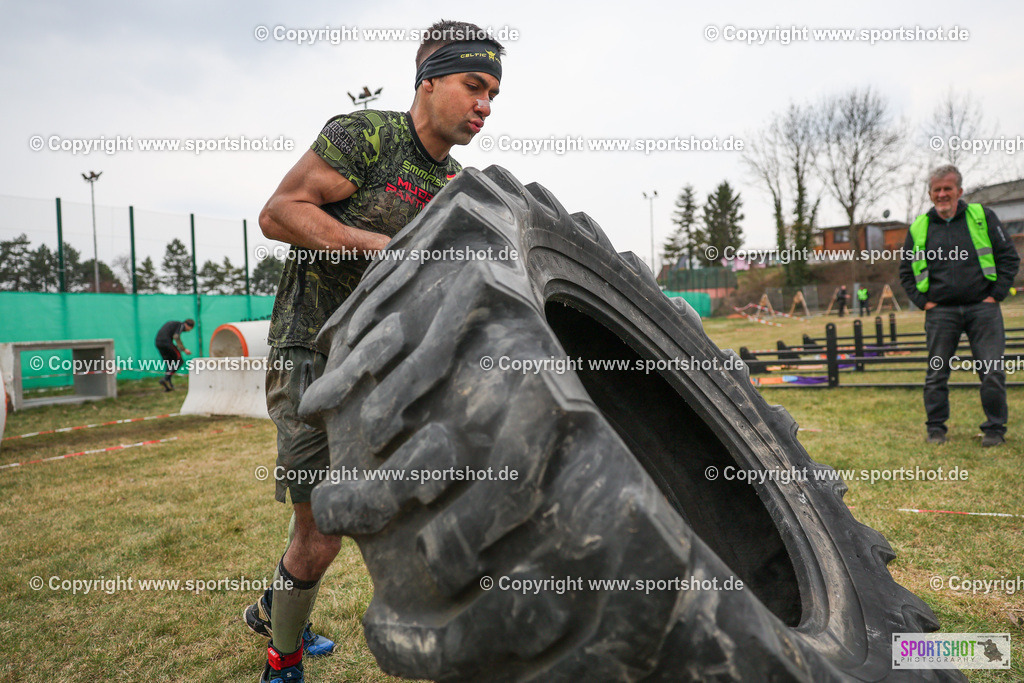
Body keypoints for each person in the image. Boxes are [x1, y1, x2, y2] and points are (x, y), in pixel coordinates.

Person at [245, 20, 505, 683]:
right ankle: (283, 654)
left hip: (382, 365)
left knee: (416, 504)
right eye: (473, 85)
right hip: (308, 356)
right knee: (323, 530)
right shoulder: (364, 137)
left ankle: (274, 607)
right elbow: (278, 213)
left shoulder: (457, 188)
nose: (484, 105)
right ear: (429, 81)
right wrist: (374, 246)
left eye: (494, 95)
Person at [899, 164, 1020, 447]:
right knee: (937, 372)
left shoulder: (982, 217)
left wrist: (996, 294)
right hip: (940, 311)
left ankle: (995, 429)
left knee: (991, 371)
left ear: (959, 191)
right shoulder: (919, 226)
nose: (942, 194)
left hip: (983, 308)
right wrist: (922, 302)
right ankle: (936, 428)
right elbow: (905, 271)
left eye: (947, 189)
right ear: (930, 194)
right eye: (937, 189)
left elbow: (1009, 258)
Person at [154, 318, 193, 391]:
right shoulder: (180, 325)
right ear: (187, 325)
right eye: (190, 329)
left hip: (158, 343)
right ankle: (166, 378)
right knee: (180, 361)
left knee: (170, 363)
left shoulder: (173, 324)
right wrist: (183, 349)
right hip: (166, 342)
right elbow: (176, 336)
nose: (188, 331)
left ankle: (168, 386)